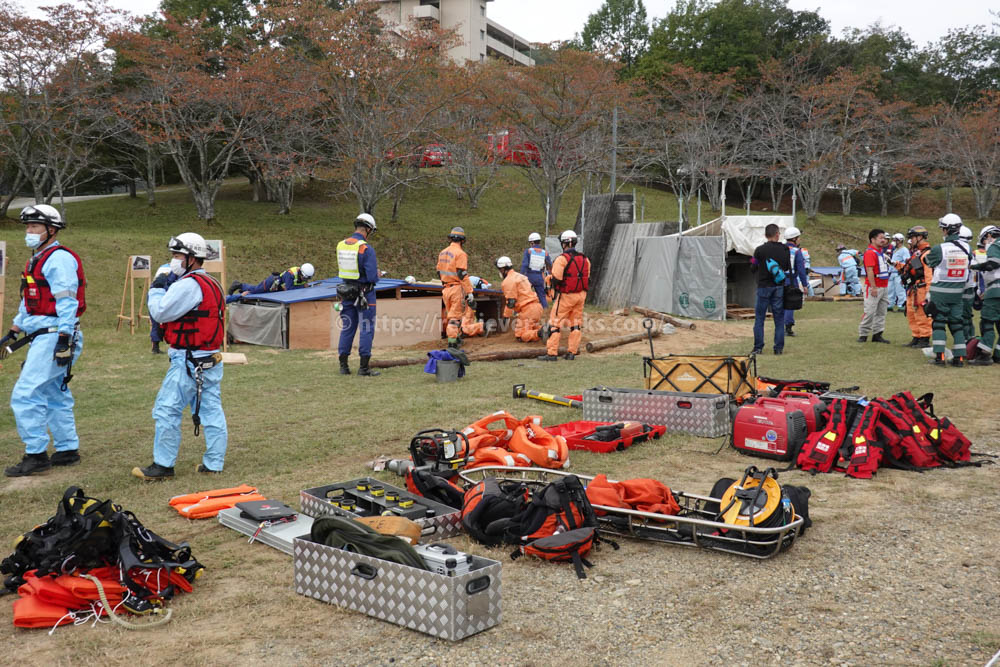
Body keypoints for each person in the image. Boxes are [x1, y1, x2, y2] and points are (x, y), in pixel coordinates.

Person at [133, 233, 227, 480]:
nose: (173, 261)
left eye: (177, 256)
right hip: (208, 357)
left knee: (166, 410)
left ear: (192, 259)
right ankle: (214, 462)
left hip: (188, 360)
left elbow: (161, 312)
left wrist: (155, 289)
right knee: (211, 410)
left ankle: (162, 466)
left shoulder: (188, 285)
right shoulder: (212, 283)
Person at [2, 205, 85, 477]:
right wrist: (15, 329)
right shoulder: (37, 259)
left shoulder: (58, 259)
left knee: (25, 394)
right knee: (53, 393)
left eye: (35, 227)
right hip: (45, 333)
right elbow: (31, 301)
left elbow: (66, 301)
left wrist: (64, 337)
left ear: (51, 230)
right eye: (27, 227)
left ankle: (36, 454)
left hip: (54, 335)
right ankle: (67, 449)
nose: (29, 232)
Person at [924, 213, 971, 366]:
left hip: (940, 291)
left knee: (938, 323)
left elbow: (928, 261)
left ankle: (940, 357)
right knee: (957, 324)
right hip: (958, 291)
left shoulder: (940, 248)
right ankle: (960, 358)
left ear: (946, 230)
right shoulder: (967, 247)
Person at [336, 214, 379, 376]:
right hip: (365, 294)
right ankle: (364, 367)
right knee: (366, 329)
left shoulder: (341, 245)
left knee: (347, 327)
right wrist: (378, 273)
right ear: (368, 229)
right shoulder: (365, 248)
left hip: (346, 292)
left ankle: (343, 366)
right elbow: (372, 277)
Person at [538, 230, 589, 361]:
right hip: (581, 295)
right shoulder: (585, 259)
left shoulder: (562, 259)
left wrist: (549, 282)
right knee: (576, 324)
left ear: (565, 243)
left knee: (555, 322)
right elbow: (587, 277)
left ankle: (552, 353)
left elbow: (557, 278)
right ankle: (572, 352)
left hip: (567, 295)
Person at [436, 226, 482, 347]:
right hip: (456, 288)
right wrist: (470, 292)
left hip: (445, 289)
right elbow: (462, 274)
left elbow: (438, 272)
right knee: (455, 317)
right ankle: (452, 343)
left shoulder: (442, 252)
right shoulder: (460, 254)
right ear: (462, 240)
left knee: (451, 315)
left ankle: (456, 338)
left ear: (450, 238)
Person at [750, 224, 790, 355]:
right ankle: (778, 348)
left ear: (766, 235)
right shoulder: (785, 249)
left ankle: (758, 347)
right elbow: (786, 267)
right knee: (779, 318)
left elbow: (753, 266)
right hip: (778, 287)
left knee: (760, 318)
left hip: (763, 286)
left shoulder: (759, 250)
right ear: (777, 234)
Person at [969, 225, 1000, 365]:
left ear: (988, 236)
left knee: (987, 321)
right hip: (994, 290)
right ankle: (998, 354)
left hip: (996, 290)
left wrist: (975, 266)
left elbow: (992, 264)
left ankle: (984, 355)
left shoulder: (995, 245)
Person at [496, 256, 543, 342]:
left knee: (520, 335)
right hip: (537, 307)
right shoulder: (521, 276)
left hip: (527, 310)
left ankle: (541, 333)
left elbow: (511, 302)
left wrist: (506, 317)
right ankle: (547, 330)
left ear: (503, 269)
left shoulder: (508, 281)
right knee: (532, 326)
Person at [901, 226, 933, 348]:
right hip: (913, 288)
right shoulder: (917, 253)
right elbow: (910, 269)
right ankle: (916, 336)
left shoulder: (927, 254)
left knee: (922, 314)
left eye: (912, 237)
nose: (911, 240)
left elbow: (929, 274)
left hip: (922, 288)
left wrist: (929, 292)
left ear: (919, 237)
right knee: (911, 313)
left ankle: (924, 339)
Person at [858, 229, 891, 344]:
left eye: (884, 238)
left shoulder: (881, 252)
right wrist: (873, 287)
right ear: (873, 239)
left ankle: (878, 334)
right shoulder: (870, 253)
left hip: (884, 285)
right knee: (870, 311)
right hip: (875, 286)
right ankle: (863, 334)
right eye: (881, 238)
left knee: (882, 312)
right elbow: (869, 270)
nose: (883, 240)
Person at [226, 263, 315, 304]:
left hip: (278, 285)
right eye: (304, 277)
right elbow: (289, 289)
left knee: (256, 291)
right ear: (301, 273)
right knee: (257, 290)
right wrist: (303, 286)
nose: (305, 280)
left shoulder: (301, 274)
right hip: (272, 282)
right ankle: (239, 285)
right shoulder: (290, 274)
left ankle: (244, 289)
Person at [783, 227, 808, 338]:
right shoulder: (797, 252)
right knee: (790, 304)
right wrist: (805, 284)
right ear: (794, 238)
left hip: (778, 281)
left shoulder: (780, 249)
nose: (799, 240)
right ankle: (788, 327)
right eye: (798, 238)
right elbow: (801, 270)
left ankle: (780, 326)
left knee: (780, 304)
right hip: (791, 281)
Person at [150, 263, 179, 354]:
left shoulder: (163, 266)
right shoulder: (178, 269)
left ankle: (155, 347)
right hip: (166, 293)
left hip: (154, 293)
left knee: (156, 322)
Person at [520, 232, 552, 307]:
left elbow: (525, 265)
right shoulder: (545, 253)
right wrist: (550, 274)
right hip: (539, 277)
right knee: (542, 296)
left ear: (532, 242)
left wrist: (521, 276)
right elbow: (549, 265)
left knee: (524, 294)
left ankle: (517, 312)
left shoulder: (529, 251)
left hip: (529, 276)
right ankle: (545, 311)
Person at [958, 226, 977, 341]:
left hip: (964, 287)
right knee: (967, 315)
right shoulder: (969, 251)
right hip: (969, 287)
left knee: (964, 316)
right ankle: (970, 337)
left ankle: (967, 340)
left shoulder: (963, 252)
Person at [887, 233, 910, 312]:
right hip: (892, 273)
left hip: (898, 273)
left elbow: (907, 262)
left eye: (895, 240)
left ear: (900, 241)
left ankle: (901, 305)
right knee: (890, 290)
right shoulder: (895, 250)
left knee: (900, 290)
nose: (893, 242)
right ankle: (890, 305)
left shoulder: (904, 250)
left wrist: (896, 264)